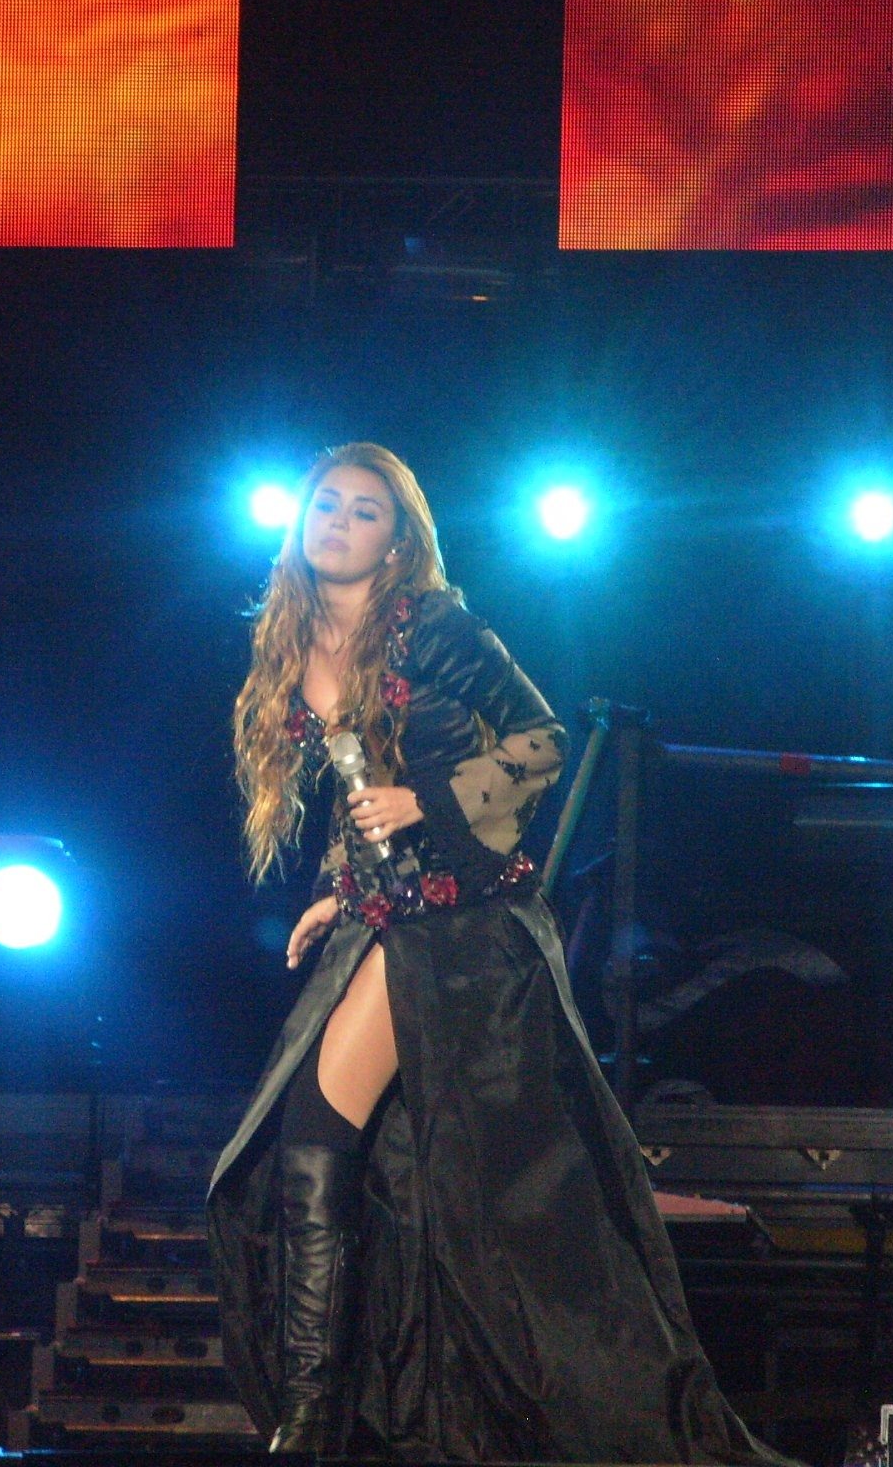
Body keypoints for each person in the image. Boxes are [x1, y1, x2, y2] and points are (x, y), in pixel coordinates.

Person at [208, 444, 789, 1463]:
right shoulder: (295, 643)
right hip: (387, 918)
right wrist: (335, 892)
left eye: (366, 512)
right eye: (327, 505)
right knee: (364, 1166)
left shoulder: (430, 623)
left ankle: (310, 1420)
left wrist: (427, 801)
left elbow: (541, 739)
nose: (339, 523)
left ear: (399, 543)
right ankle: (326, 1412)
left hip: (465, 927)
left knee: (322, 1134)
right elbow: (355, 797)